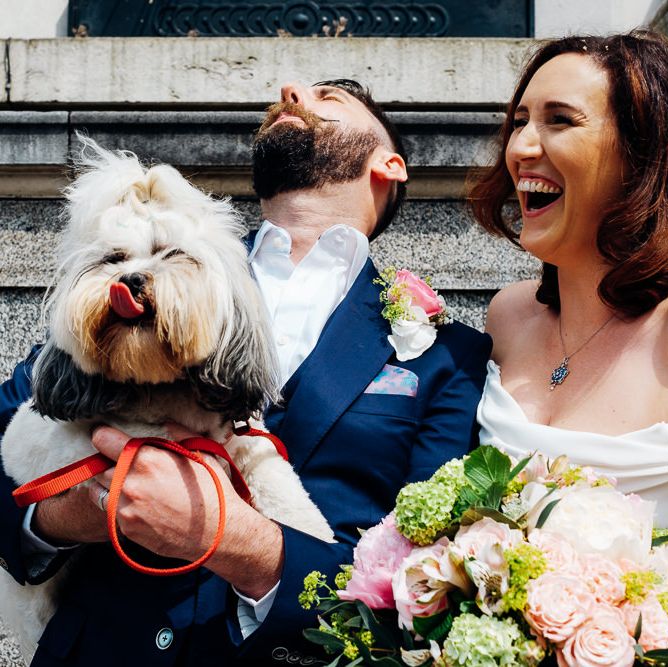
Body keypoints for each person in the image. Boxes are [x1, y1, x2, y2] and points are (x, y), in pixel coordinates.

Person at [0, 79, 491, 665]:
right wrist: (67, 514)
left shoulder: (449, 354)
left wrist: (244, 547)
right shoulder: (145, 260)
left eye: (329, 97)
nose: (291, 90)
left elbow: (431, 571)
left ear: (391, 163)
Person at [468, 31, 668, 559]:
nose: (520, 148)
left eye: (559, 120)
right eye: (519, 122)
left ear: (642, 155)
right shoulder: (509, 318)